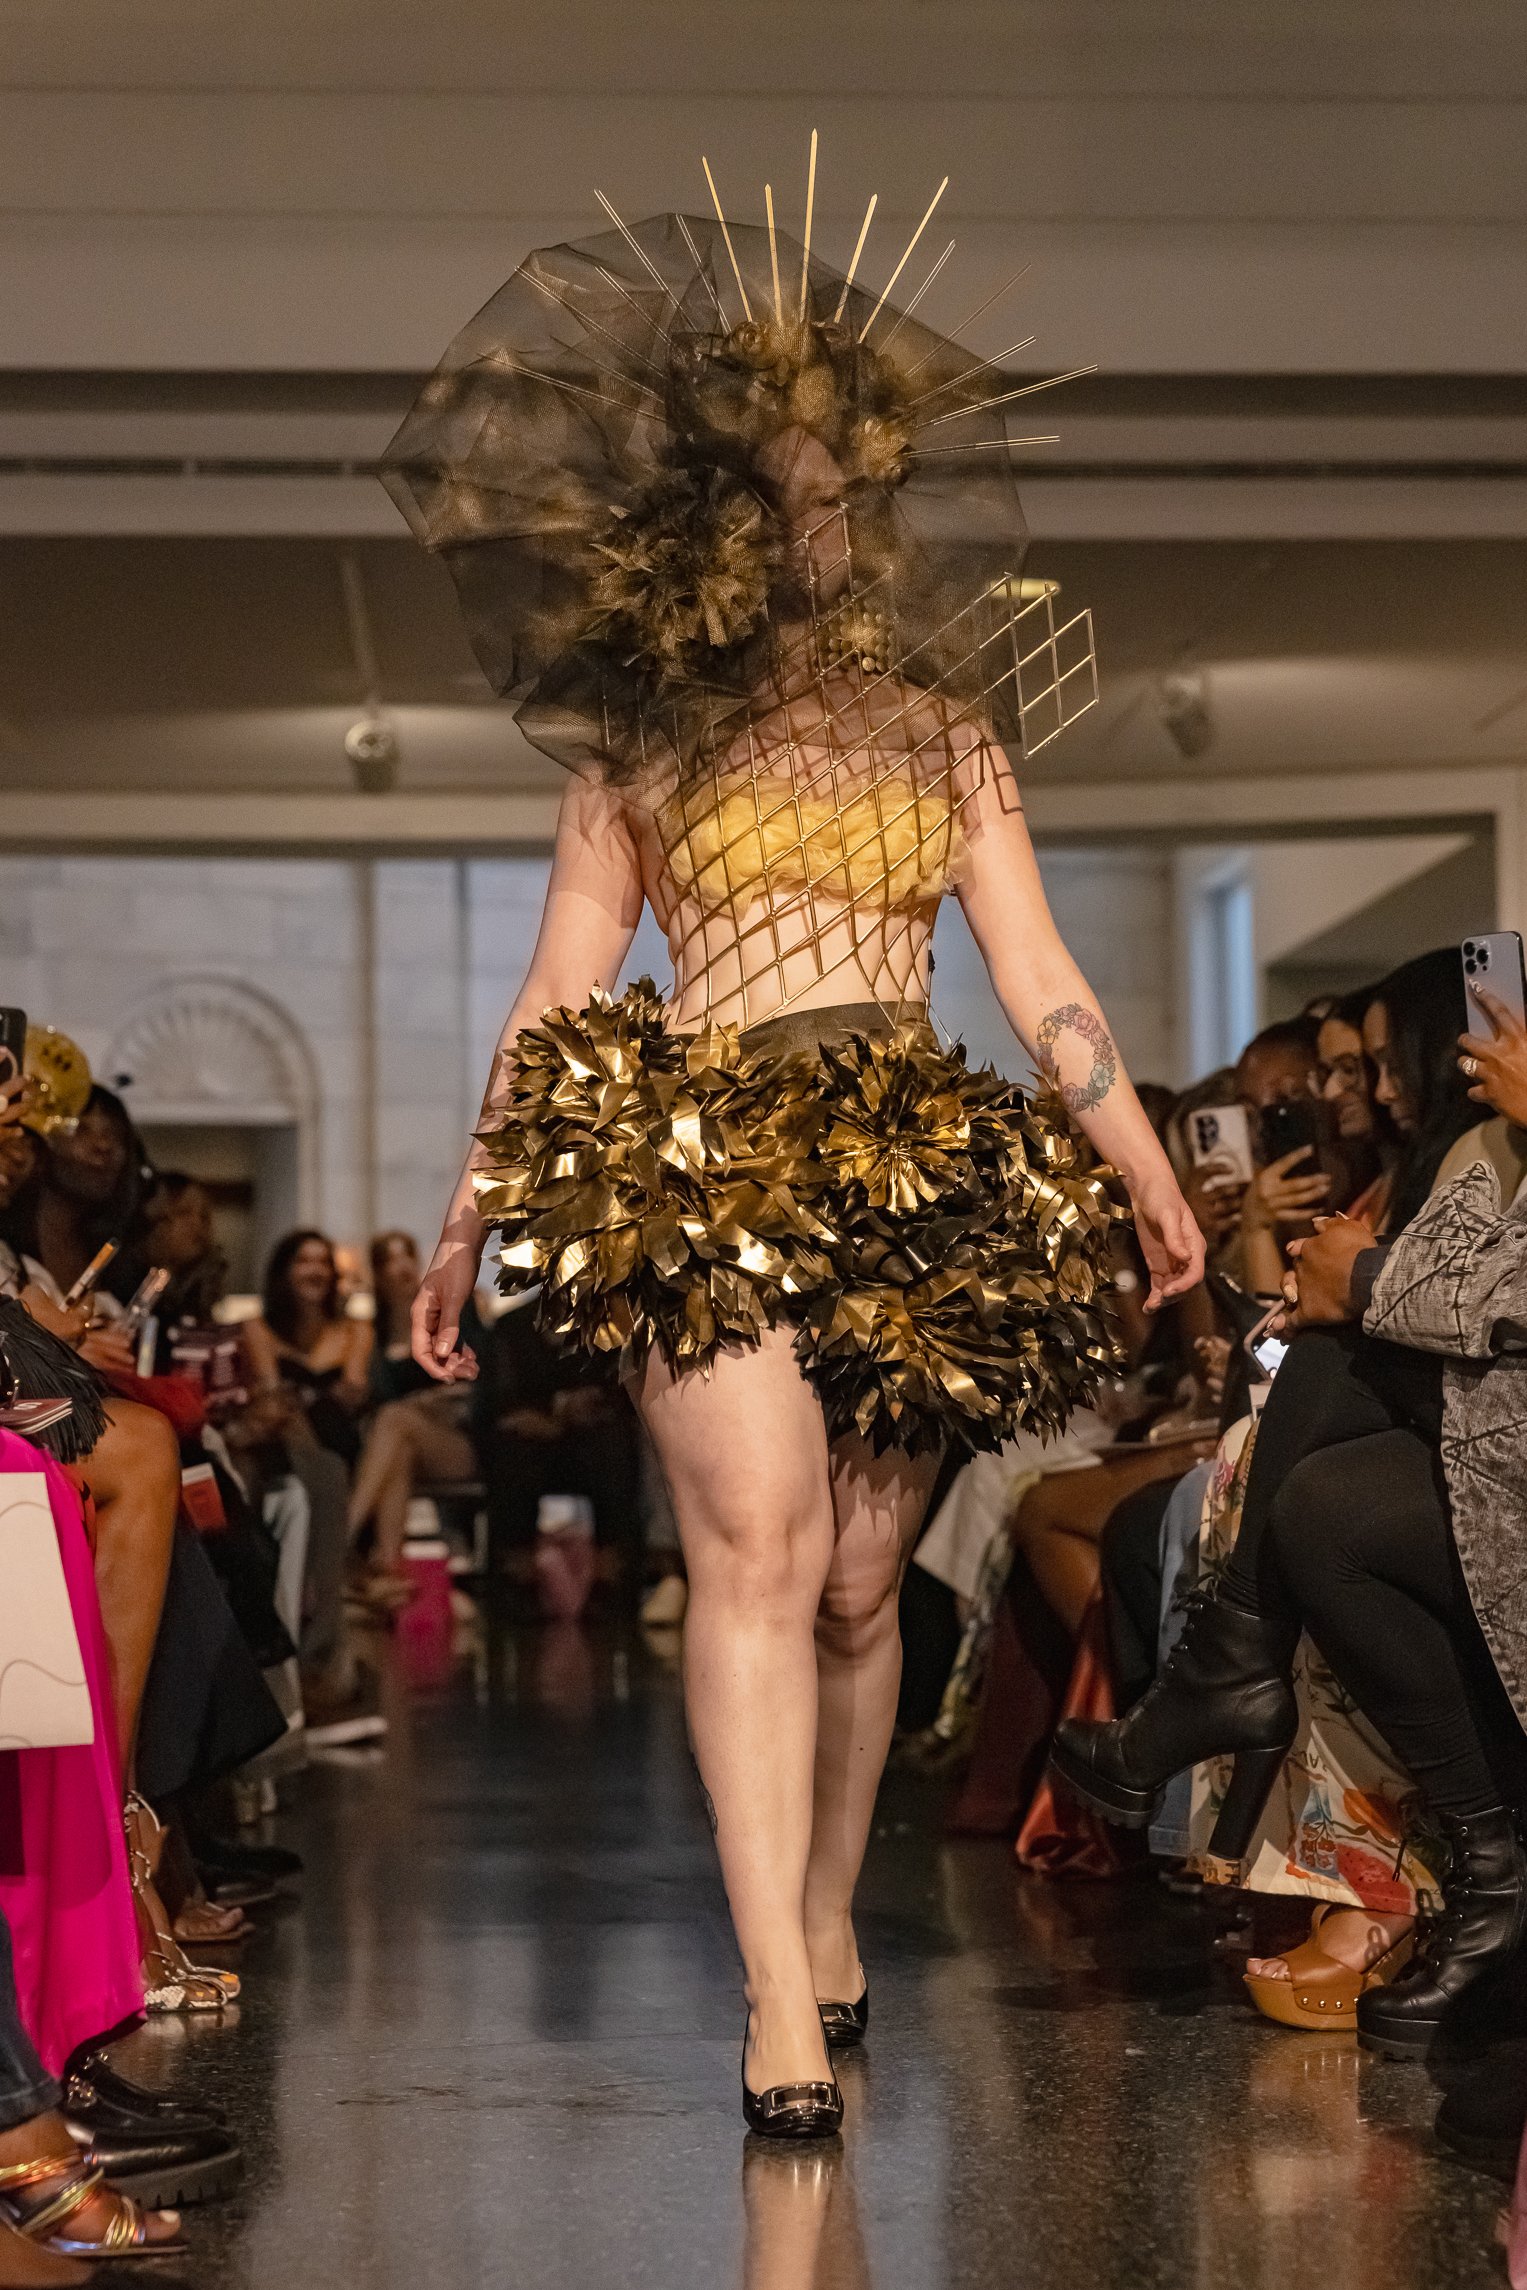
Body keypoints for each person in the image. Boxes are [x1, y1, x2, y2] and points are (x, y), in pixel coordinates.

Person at [387, 174, 1202, 2133]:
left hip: (911, 1165)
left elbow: (1034, 970)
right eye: (775, 497)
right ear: (708, 522)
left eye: (836, 496)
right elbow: (557, 992)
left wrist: (1140, 1160)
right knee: (755, 1536)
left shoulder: (947, 729)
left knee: (853, 1580)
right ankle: (771, 1985)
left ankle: (826, 1907)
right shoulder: (635, 744)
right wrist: (465, 1214)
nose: (810, 528)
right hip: (694, 1155)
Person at [1052, 946, 1498, 2049]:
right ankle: (1234, 1676)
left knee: (1285, 1468)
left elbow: (1472, 1305)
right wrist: (1269, 1250)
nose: (1362, 1091)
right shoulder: (1466, 1153)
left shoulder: (1485, 1147)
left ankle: (1232, 1684)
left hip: (1483, 1432)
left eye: (1371, 1066)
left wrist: (1354, 1282)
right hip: (1440, 1419)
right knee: (1296, 1479)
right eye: (1349, 1070)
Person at [242, 1231, 373, 1469]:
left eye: (323, 1262)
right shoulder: (258, 1329)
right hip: (282, 1445)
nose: (315, 1271)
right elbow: (270, 1395)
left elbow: (353, 1391)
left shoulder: (356, 1330)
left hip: (341, 1440)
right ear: (284, 1271)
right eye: (303, 1261)